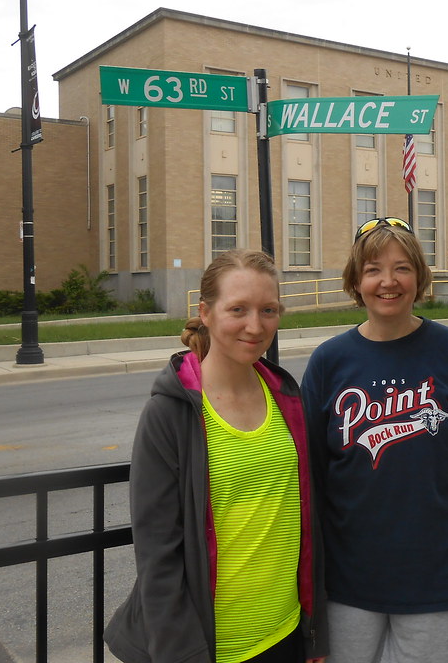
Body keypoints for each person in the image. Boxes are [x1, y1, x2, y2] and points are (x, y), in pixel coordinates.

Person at [300, 217, 448, 663]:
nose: (388, 281)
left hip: (444, 589)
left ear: (419, 276)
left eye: (402, 268)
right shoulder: (328, 362)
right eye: (373, 269)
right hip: (346, 591)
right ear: (356, 281)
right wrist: (308, 597)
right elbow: (308, 488)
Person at [105, 249, 327, 663]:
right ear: (205, 313)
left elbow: (307, 524)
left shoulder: (286, 397)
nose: (255, 326)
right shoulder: (170, 412)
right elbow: (158, 555)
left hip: (286, 634)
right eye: (238, 309)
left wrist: (315, 632)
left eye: (268, 310)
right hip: (211, 648)